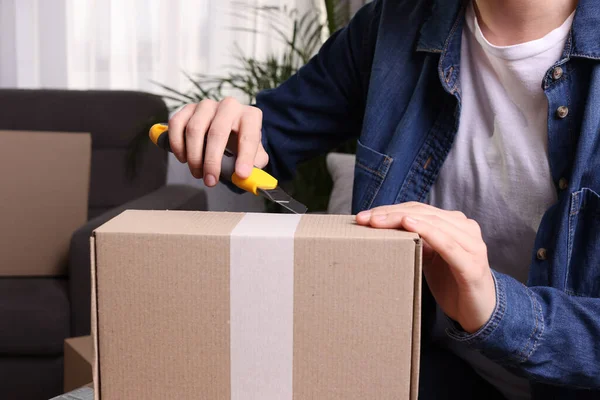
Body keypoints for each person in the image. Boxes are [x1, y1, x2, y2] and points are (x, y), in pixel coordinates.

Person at [167, 0, 600, 398]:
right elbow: (268, 141)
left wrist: (499, 312)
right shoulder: (392, 25)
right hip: (428, 372)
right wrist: (222, 132)